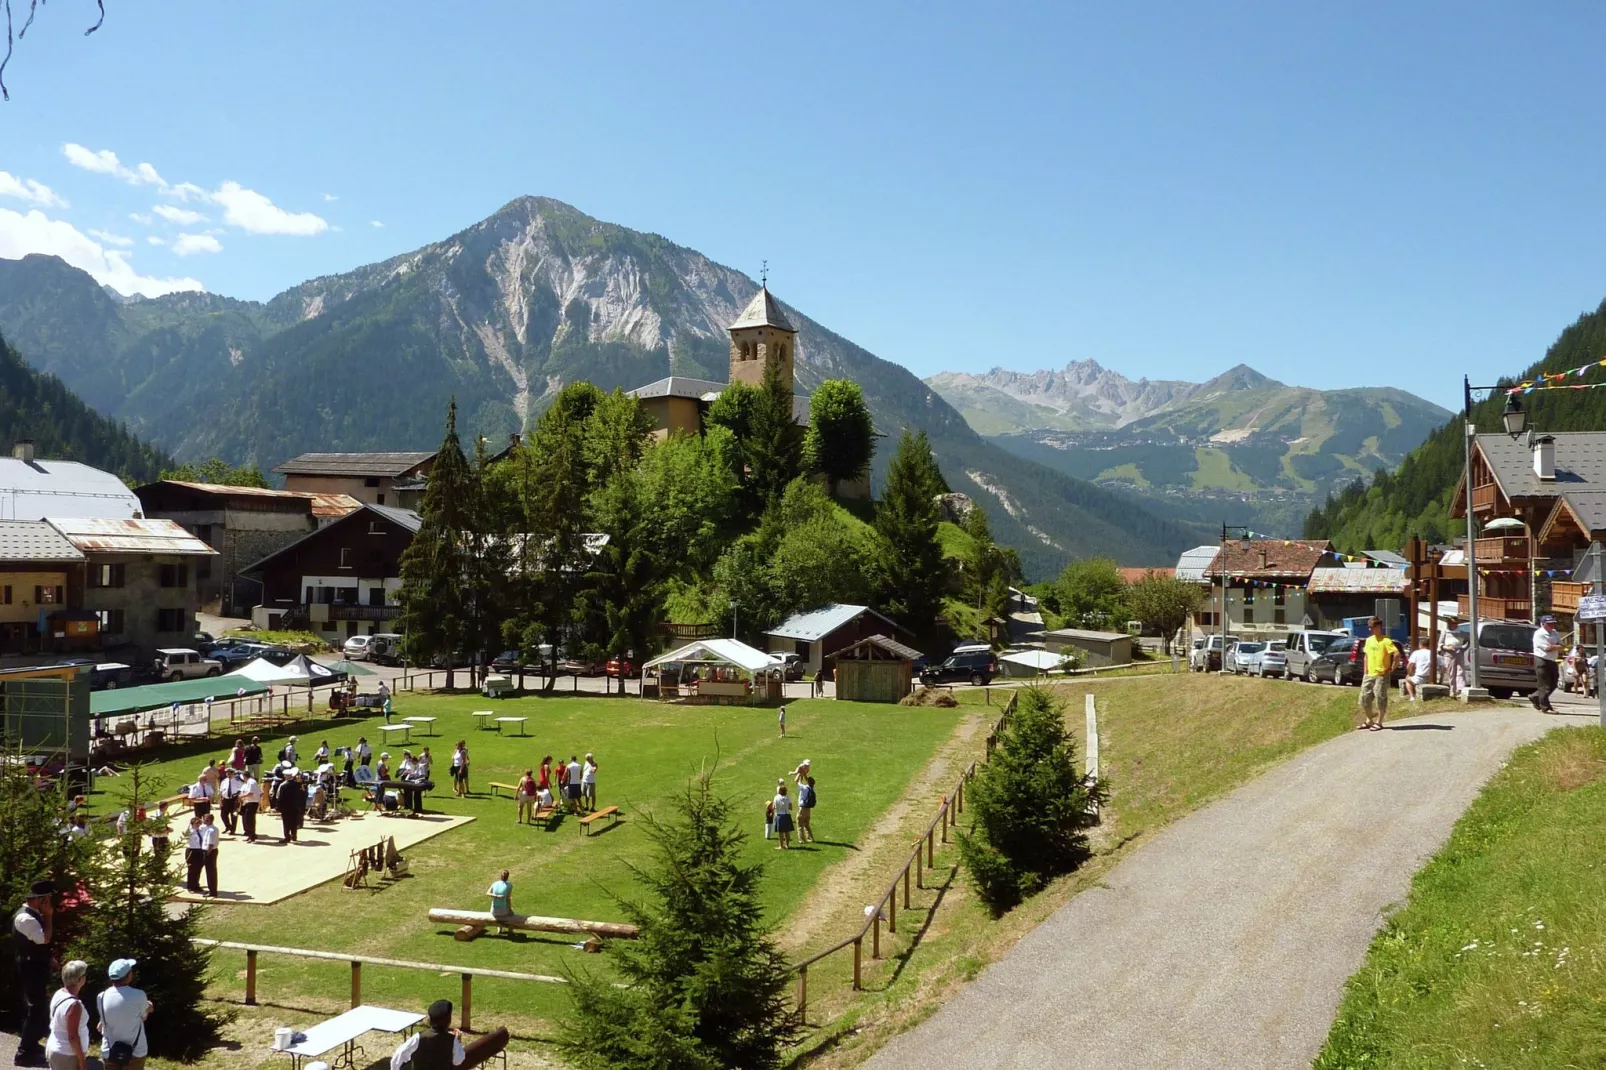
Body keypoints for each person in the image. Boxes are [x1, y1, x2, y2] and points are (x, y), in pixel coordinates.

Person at [12, 878, 55, 1067]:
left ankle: (31, 1044)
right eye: (48, 898)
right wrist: (49, 916)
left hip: (36, 965)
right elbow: (44, 938)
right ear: (41, 899)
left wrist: (49, 958)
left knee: (37, 1007)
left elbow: (40, 946)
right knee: (35, 1008)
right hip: (30, 968)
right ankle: (23, 1054)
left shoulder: (33, 913)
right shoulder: (25, 918)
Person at [97, 958, 151, 1070]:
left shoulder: (101, 997)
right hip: (135, 1053)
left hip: (110, 1051)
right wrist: (149, 1007)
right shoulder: (139, 995)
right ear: (128, 976)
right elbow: (143, 1016)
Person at [389, 999, 463, 1070]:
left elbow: (397, 1058)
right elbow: (458, 1061)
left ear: (430, 1021)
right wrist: (458, 1041)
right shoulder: (452, 1040)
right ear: (449, 1021)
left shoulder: (418, 1037)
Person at [45, 960, 89, 1070]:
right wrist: (82, 1061)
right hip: (67, 1055)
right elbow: (73, 1036)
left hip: (55, 1047)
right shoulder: (74, 1005)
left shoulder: (59, 993)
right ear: (79, 980)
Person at [1358, 617, 1396, 731]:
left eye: (1373, 627)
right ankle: (1369, 720)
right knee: (1364, 697)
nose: (1371, 629)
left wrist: (1392, 668)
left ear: (1379, 627)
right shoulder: (1369, 640)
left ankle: (1379, 722)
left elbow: (1396, 654)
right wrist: (1365, 670)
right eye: (1370, 627)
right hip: (1369, 674)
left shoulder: (1386, 640)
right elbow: (1366, 656)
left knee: (1380, 697)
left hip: (1382, 674)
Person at [1533, 615, 1561, 713]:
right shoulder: (1539, 634)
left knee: (1554, 683)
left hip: (1552, 660)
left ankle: (1535, 697)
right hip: (1542, 660)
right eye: (1549, 624)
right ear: (1543, 624)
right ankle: (1546, 707)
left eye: (1553, 623)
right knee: (1545, 685)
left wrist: (1555, 646)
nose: (1551, 625)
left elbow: (1561, 645)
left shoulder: (1555, 633)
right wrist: (1555, 646)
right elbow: (1547, 648)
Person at [278, 771, 308, 843]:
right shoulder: (297, 784)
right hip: (295, 806)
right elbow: (302, 794)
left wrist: (278, 807)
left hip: (286, 807)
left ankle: (287, 837)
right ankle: (294, 836)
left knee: (286, 823)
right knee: (294, 822)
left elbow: (280, 797)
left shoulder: (283, 785)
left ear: (286, 776)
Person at [199, 814, 220, 897]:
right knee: (211, 871)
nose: (203, 820)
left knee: (210, 872)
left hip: (210, 852)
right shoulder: (210, 828)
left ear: (210, 820)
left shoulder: (211, 830)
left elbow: (210, 844)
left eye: (205, 819)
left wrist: (207, 854)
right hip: (210, 851)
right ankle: (212, 890)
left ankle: (212, 891)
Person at [218, 768, 243, 835]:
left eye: (230, 773)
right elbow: (221, 791)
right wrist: (220, 800)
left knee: (234, 815)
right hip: (225, 799)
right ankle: (228, 826)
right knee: (223, 815)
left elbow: (241, 790)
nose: (228, 775)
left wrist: (239, 799)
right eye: (227, 773)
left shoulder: (237, 781)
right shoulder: (224, 781)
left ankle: (233, 830)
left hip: (234, 799)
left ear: (233, 773)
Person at [239, 772, 261, 843]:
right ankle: (251, 835)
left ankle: (252, 836)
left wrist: (241, 796)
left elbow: (250, 793)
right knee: (248, 819)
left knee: (249, 820)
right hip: (249, 802)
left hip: (252, 803)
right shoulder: (249, 782)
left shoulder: (251, 782)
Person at [771, 783, 794, 850]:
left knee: (781, 832)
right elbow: (791, 807)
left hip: (779, 815)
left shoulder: (776, 797)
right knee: (787, 832)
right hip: (787, 815)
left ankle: (781, 846)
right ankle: (787, 845)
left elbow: (774, 807)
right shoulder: (788, 797)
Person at [798, 775, 817, 843]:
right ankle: (811, 838)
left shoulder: (804, 787)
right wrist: (805, 774)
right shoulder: (812, 788)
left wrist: (801, 775)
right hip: (808, 809)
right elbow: (809, 781)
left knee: (800, 825)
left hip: (802, 808)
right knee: (807, 824)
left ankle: (801, 839)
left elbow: (798, 782)